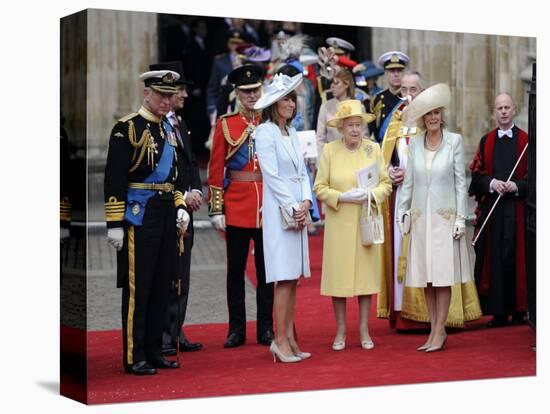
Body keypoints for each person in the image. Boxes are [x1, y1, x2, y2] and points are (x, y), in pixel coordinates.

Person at [104, 69, 190, 375]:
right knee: (138, 287)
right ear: (146, 93)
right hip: (139, 216)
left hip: (167, 212)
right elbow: (114, 179)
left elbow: (175, 176)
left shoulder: (168, 130)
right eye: (162, 95)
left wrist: (180, 205)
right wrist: (114, 222)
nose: (167, 101)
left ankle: (154, 351)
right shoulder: (126, 128)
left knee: (162, 286)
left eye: (170, 95)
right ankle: (133, 354)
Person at [397, 84, 481, 352]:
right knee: (425, 277)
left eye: (436, 113)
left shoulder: (454, 141)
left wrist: (460, 218)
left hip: (445, 221)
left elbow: (459, 183)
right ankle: (434, 329)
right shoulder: (415, 145)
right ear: (423, 118)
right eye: (428, 114)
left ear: (441, 115)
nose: (433, 118)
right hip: (421, 220)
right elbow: (409, 183)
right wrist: (402, 212)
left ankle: (439, 330)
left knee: (442, 277)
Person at [313, 99, 391, 351]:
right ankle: (340, 331)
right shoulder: (330, 151)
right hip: (339, 223)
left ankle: (364, 330)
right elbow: (319, 187)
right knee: (339, 279)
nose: (356, 130)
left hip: (365, 219)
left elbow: (385, 184)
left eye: (359, 125)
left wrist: (370, 195)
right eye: (350, 126)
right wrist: (342, 196)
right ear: (341, 128)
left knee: (366, 280)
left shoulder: (372, 149)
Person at [207, 64, 274, 348]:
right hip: (236, 206)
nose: (251, 95)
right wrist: (217, 208)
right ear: (236, 92)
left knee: (266, 273)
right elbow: (215, 168)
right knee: (235, 272)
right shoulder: (225, 123)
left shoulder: (270, 122)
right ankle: (236, 329)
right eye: (245, 91)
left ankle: (266, 328)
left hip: (266, 206)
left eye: (255, 90)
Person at [254, 73, 313, 363]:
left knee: (293, 279)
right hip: (279, 213)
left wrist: (305, 201)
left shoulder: (292, 133)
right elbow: (272, 176)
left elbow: (302, 174)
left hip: (295, 210)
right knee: (282, 277)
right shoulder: (264, 132)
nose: (291, 103)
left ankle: (289, 337)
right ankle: (279, 340)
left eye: (293, 98)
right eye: (286, 99)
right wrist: (293, 206)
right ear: (274, 103)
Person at [147, 62, 204, 355]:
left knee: (182, 273)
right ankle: (164, 336)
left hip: (186, 210)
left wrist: (196, 190)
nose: (184, 95)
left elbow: (191, 163)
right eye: (181, 89)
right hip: (166, 208)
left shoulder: (181, 123)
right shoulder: (153, 125)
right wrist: (182, 195)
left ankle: (175, 331)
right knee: (167, 273)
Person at [469, 93, 528, 328]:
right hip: (494, 212)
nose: (503, 111)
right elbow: (476, 176)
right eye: (499, 108)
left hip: (517, 210)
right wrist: (492, 184)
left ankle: (520, 310)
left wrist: (517, 186)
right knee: (495, 259)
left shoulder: (526, 141)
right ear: (494, 112)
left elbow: (535, 177)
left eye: (507, 107)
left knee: (517, 256)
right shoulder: (486, 141)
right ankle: (498, 311)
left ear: (514, 110)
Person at [376, 70, 427, 329]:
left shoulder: (430, 120)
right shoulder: (395, 122)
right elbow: (384, 159)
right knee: (399, 251)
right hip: (398, 197)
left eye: (413, 90)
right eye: (404, 90)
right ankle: (400, 309)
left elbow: (437, 160)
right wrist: (390, 172)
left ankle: (422, 312)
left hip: (423, 198)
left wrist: (413, 173)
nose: (407, 95)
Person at [316, 69, 365, 157]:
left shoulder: (358, 107)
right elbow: (320, 139)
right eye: (332, 83)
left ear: (346, 84)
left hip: (355, 158)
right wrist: (321, 163)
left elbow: (364, 136)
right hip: (332, 158)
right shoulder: (325, 107)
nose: (332, 86)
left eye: (336, 83)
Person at [369, 51, 409, 142]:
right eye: (392, 71)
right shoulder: (377, 99)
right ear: (386, 73)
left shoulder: (410, 97)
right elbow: (371, 128)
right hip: (382, 149)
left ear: (404, 73)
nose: (396, 74)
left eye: (399, 70)